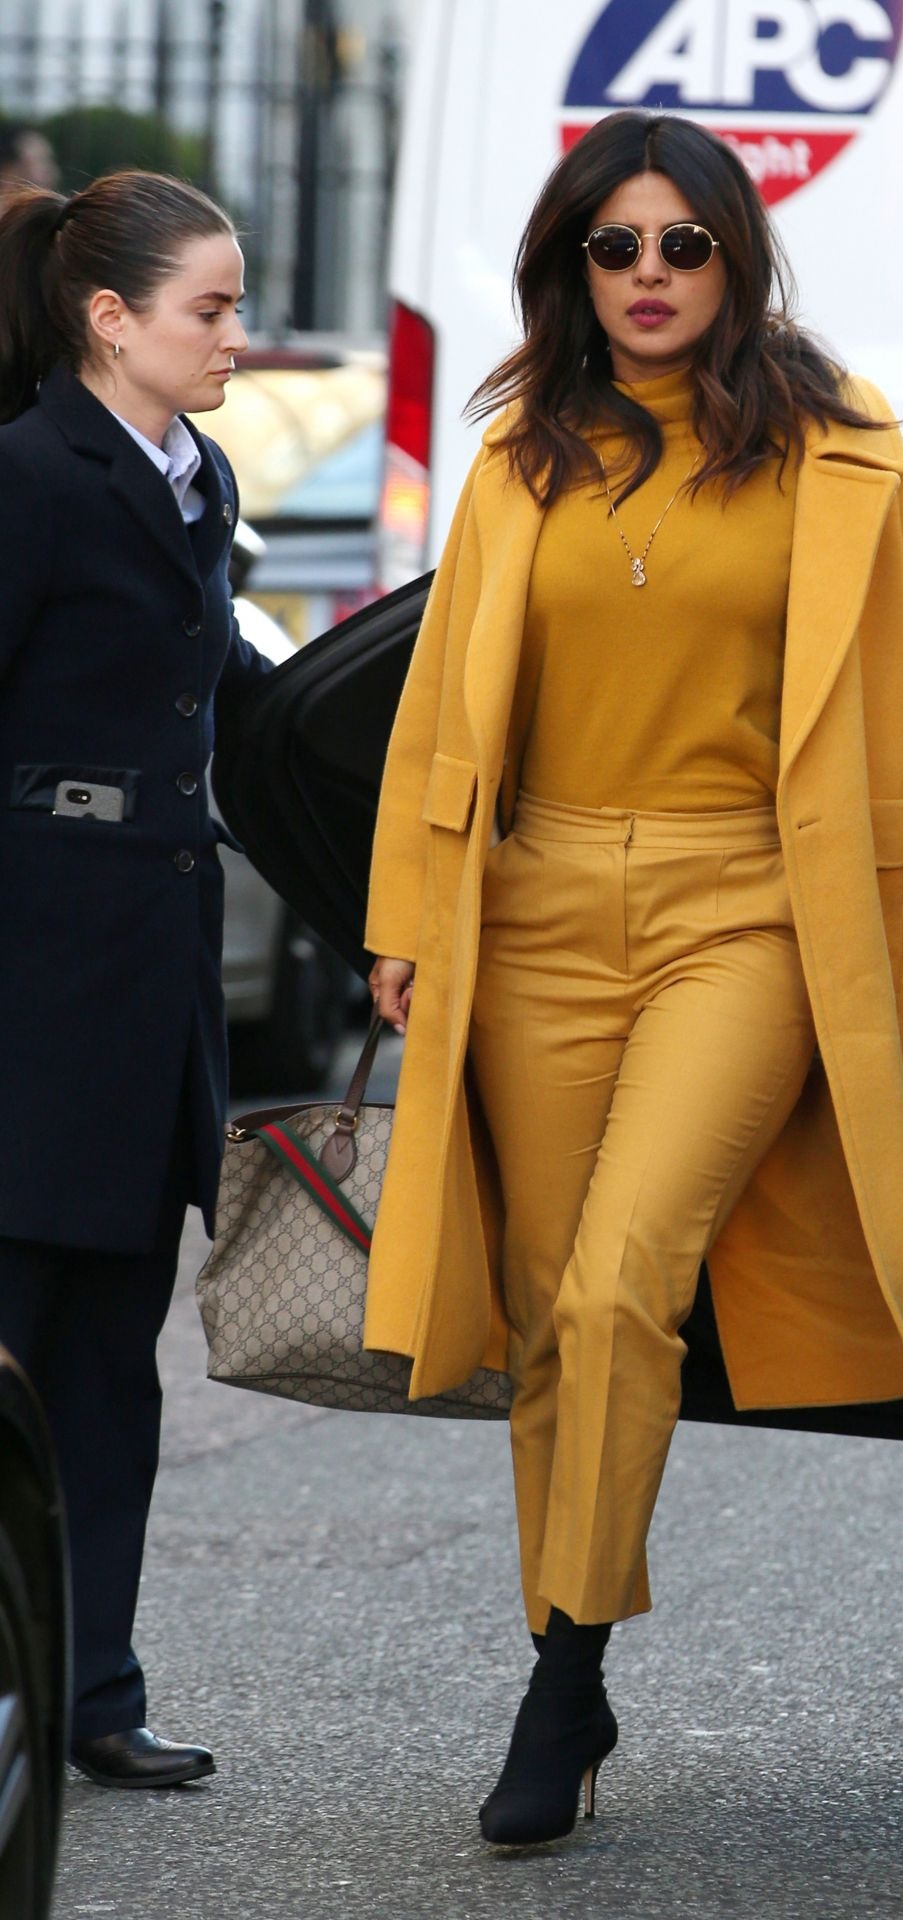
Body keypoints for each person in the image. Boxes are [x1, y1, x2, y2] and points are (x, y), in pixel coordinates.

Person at [366, 110, 903, 1846]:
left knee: (618, 1289)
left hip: (748, 910)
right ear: (573, 267)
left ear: (741, 259)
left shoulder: (849, 460)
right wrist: (407, 916)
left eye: (686, 245)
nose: (653, 276)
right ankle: (571, 1652)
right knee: (541, 1320)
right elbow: (443, 701)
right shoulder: (521, 455)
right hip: (533, 912)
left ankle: (559, 1671)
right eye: (618, 247)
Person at [0, 171, 265, 1787]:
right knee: (14, 1353)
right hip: (31, 974)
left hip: (149, 985)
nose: (239, 336)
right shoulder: (30, 476)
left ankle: (95, 1691)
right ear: (112, 318)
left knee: (111, 1366)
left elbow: (228, 688)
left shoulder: (195, 471)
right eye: (212, 310)